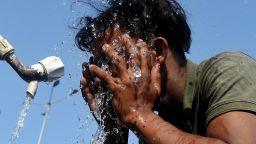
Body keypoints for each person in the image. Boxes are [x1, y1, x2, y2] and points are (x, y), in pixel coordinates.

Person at [76, 0, 256, 143]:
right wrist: (113, 130)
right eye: (99, 65)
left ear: (157, 51)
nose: (103, 74)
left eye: (111, 59)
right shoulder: (157, 126)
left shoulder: (229, 70)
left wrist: (137, 115)